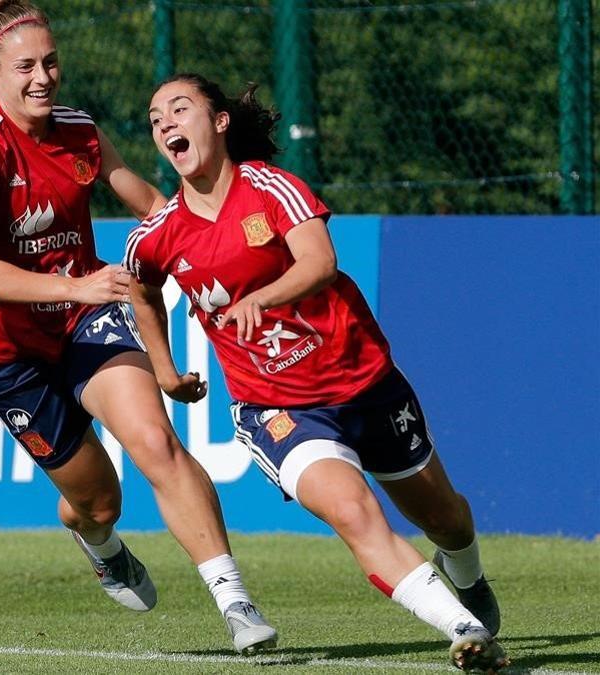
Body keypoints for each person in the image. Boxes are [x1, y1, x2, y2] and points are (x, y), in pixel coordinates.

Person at [122, 73, 507, 673]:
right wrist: (166, 372)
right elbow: (142, 292)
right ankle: (461, 626)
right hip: (279, 408)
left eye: (180, 109)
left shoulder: (273, 189)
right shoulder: (158, 234)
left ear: (220, 121)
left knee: (445, 518)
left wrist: (261, 298)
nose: (166, 123)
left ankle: (469, 575)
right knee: (354, 513)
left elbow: (321, 262)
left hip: (364, 381)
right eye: (155, 118)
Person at [0, 0, 276, 655]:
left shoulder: (78, 131)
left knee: (158, 442)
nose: (43, 77)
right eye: (25, 67)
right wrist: (73, 282)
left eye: (51, 61)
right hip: (10, 352)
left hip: (85, 319)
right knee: (99, 501)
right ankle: (99, 542)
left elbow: (154, 207)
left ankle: (235, 600)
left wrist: (223, 245)